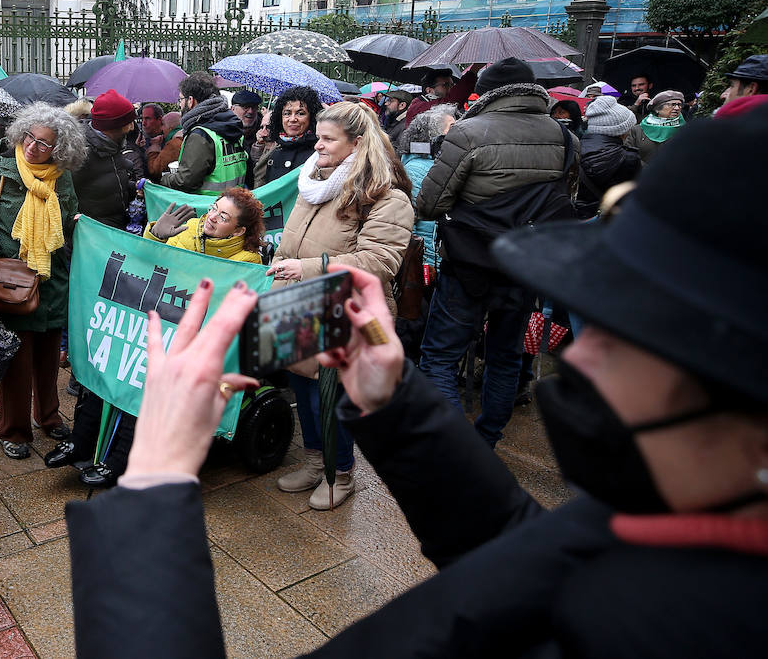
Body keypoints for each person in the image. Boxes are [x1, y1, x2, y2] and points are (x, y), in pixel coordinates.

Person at [66, 109, 768, 659]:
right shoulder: (680, 507)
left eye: (622, 335)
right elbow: (524, 555)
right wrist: (395, 406)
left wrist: (156, 480)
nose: (576, 356)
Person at [47, 188, 267, 486]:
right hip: (156, 323)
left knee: (145, 380)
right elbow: (147, 264)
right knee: (113, 360)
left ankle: (120, 459)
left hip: (192, 341)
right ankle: (81, 440)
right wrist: (156, 236)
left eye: (223, 216)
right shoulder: (188, 229)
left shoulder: (247, 262)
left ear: (239, 230)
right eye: (213, 208)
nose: (211, 217)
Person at [415, 56, 573, 448]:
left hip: (469, 264)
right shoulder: (563, 135)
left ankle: (460, 451)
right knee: (505, 358)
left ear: (485, 93)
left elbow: (430, 205)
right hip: (523, 265)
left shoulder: (468, 133)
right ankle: (486, 440)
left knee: (439, 358)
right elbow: (563, 200)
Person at [268, 101, 413, 509]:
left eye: (329, 139)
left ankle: (340, 474)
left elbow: (380, 261)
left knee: (328, 399)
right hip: (299, 303)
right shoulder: (313, 181)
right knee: (301, 384)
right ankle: (316, 463)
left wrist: (307, 267)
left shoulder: (386, 196)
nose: (318, 146)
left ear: (359, 143)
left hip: (344, 311)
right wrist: (280, 260)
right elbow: (293, 237)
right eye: (318, 136)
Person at [0, 103, 85, 459]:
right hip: (14, 281)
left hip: (52, 279)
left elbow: (67, 222)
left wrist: (77, 221)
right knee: (16, 361)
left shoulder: (62, 176)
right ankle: (14, 430)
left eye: (44, 143)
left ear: (60, 150)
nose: (32, 147)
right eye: (29, 137)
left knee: (49, 356)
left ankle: (48, 417)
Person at [162, 73, 247, 194]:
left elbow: (186, 181)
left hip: (208, 208)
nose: (179, 104)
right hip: (234, 204)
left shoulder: (201, 134)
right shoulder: (232, 125)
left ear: (190, 101)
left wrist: (164, 178)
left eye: (180, 99)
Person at [398, 103, 457, 276]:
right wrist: (422, 262)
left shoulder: (437, 163)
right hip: (428, 262)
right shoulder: (418, 169)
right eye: (452, 127)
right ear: (433, 135)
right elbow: (410, 221)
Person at [73, 89, 144, 229]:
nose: (131, 128)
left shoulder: (113, 144)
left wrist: (134, 187)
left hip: (114, 231)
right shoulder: (79, 153)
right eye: (128, 122)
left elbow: (108, 184)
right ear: (112, 126)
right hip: (93, 235)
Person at [576, 95, 641, 219]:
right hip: (611, 221)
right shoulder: (628, 158)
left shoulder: (574, 147)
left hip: (576, 219)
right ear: (621, 130)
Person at [252, 86, 323, 188]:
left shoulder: (318, 153)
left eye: (300, 113)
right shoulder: (274, 151)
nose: (292, 119)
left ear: (311, 116)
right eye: (287, 113)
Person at [403, 66, 478, 126]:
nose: (451, 88)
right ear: (429, 90)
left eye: (452, 85)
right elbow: (451, 101)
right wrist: (474, 69)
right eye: (446, 85)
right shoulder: (418, 106)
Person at [147, 110, 183, 177]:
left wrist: (154, 147)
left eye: (163, 124)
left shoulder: (174, 144)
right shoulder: (185, 137)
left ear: (171, 127)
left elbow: (154, 170)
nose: (161, 128)